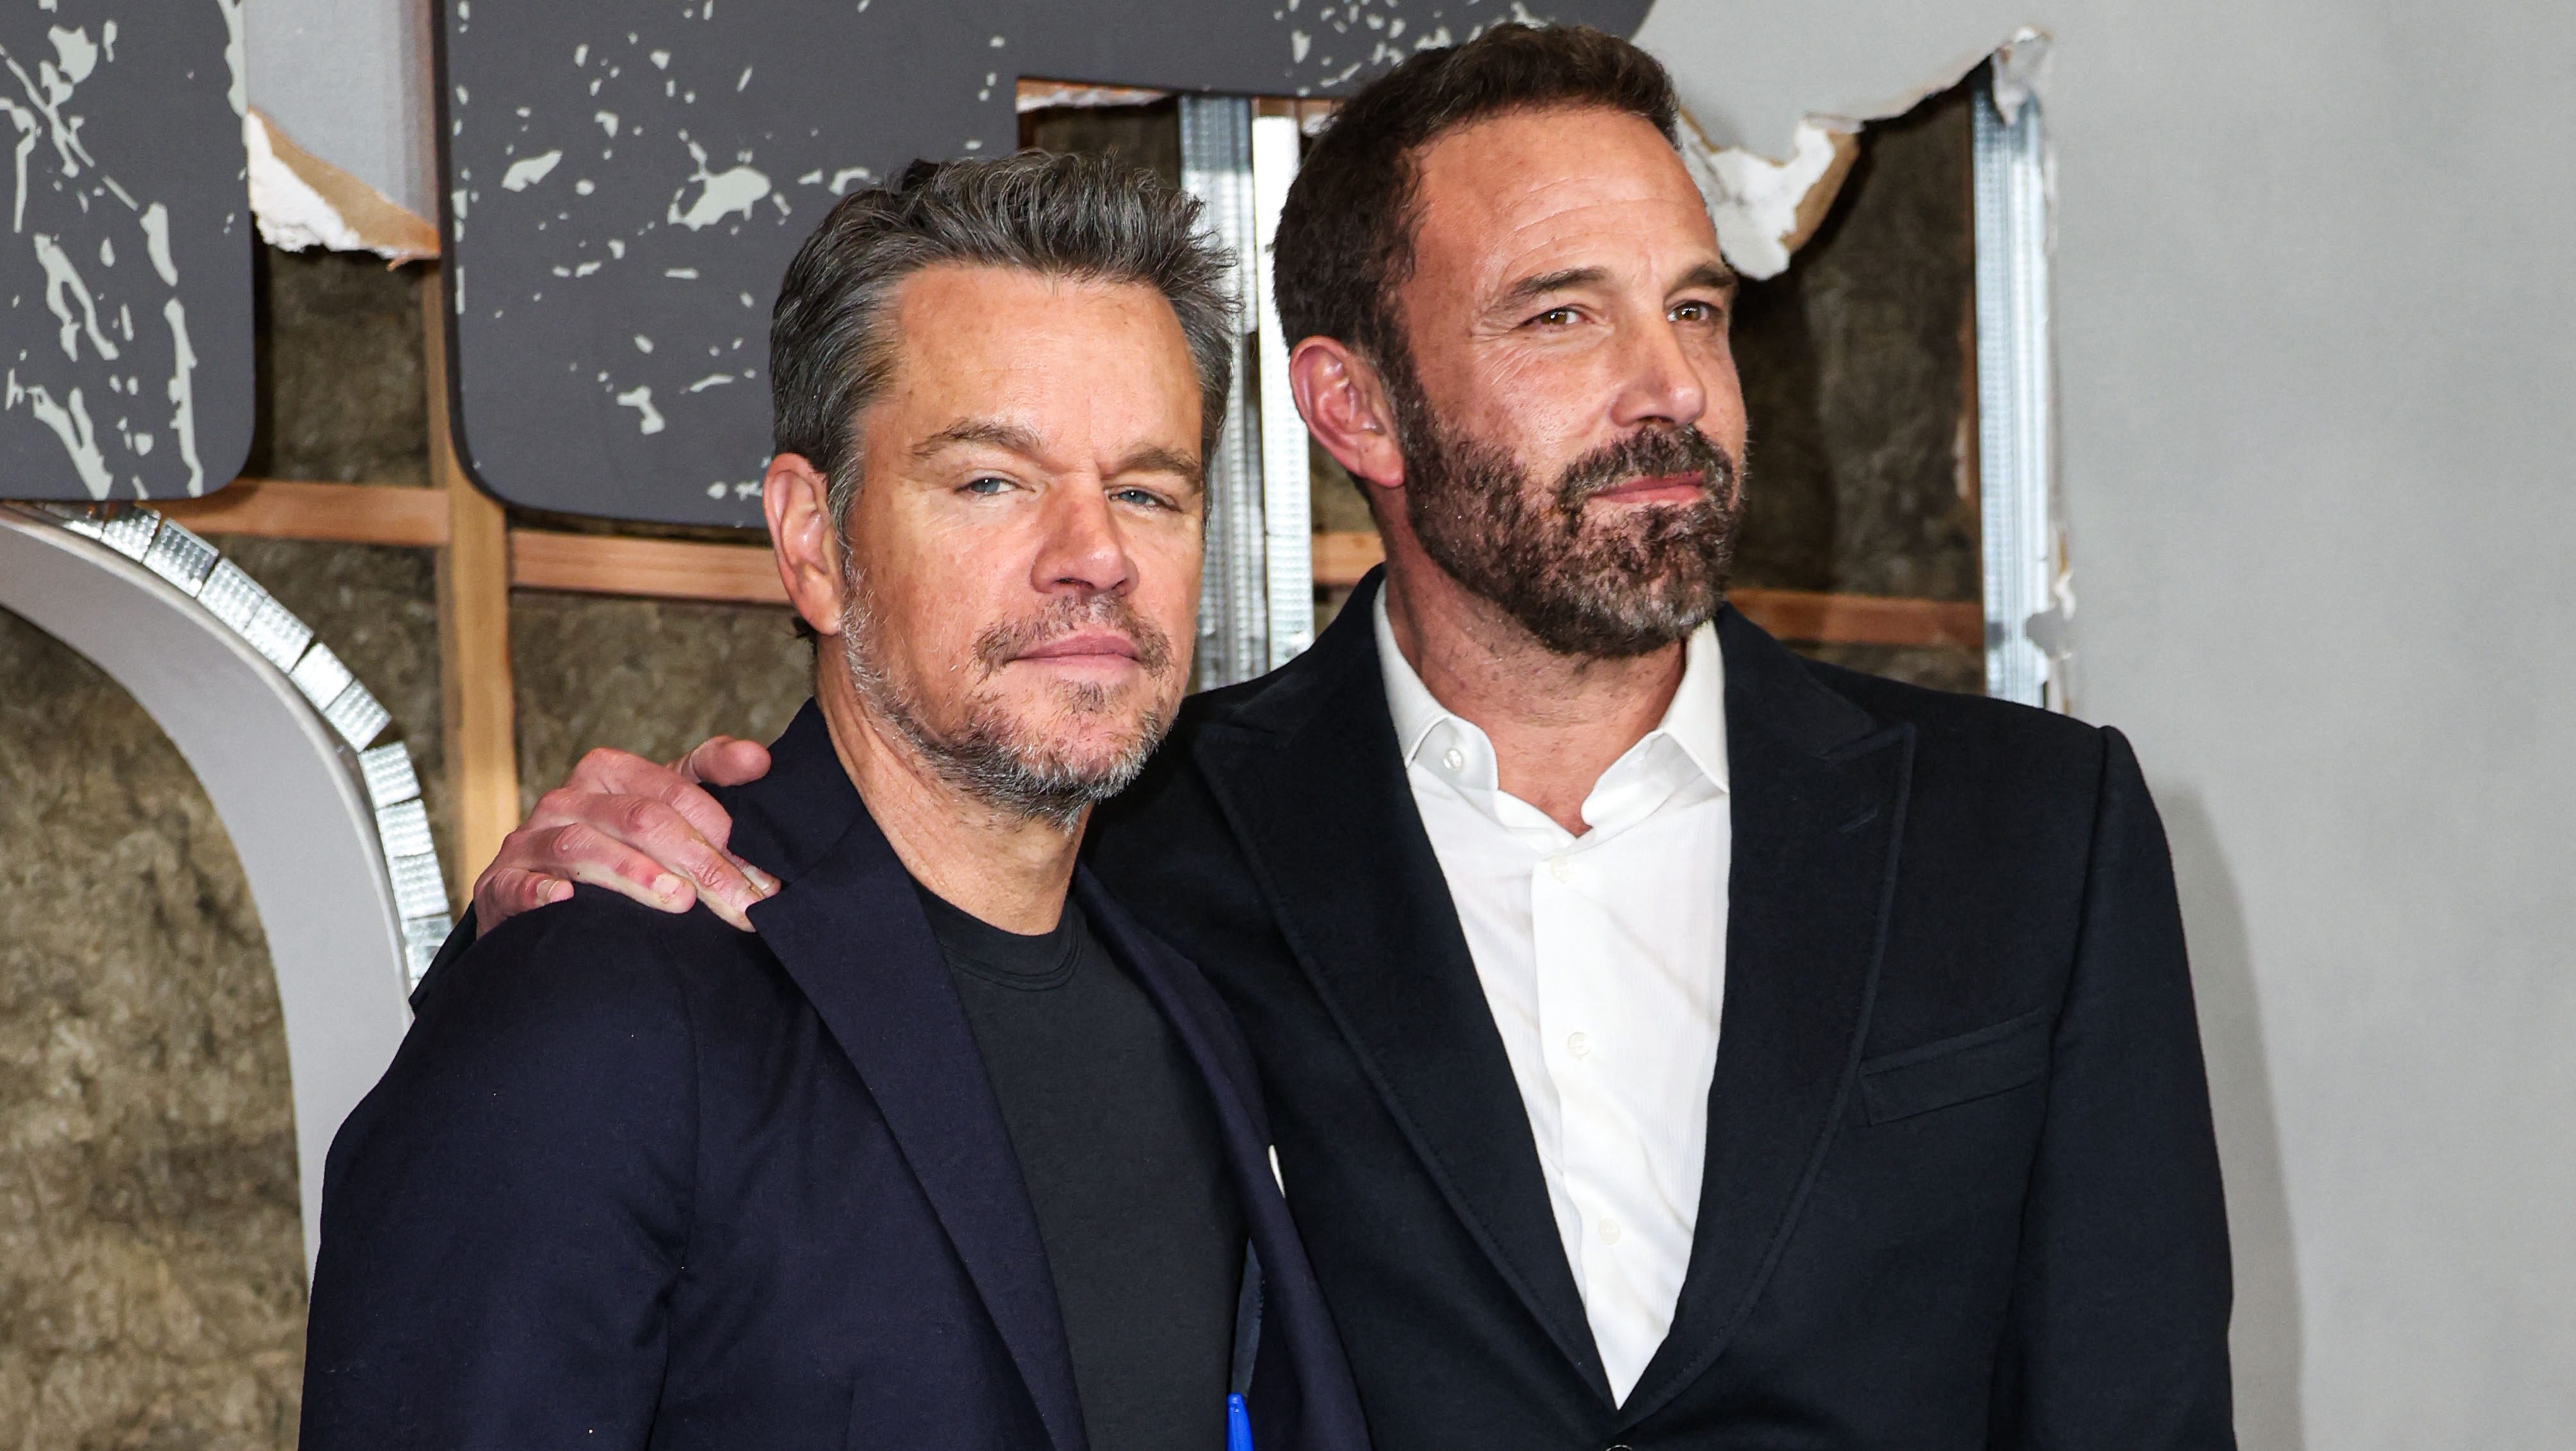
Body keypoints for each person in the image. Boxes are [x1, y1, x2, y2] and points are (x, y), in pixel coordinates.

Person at [464, 26, 2235, 1450]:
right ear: (1352, 405)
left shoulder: (2035, 832)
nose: (1670, 388)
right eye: (1562, 315)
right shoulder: (1141, 839)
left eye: (1693, 308)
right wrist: (544, 909)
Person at [298, 153, 1368, 1451]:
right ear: (813, 541)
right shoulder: (600, 1000)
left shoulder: (1191, 1012)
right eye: (991, 480)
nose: (1095, 554)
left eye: (1146, 491)